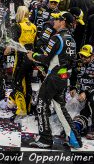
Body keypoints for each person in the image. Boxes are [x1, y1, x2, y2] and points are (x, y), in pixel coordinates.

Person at [27, 12, 82, 149]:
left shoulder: (56, 38)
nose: (53, 21)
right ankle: (75, 140)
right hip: (64, 78)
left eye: (56, 19)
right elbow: (71, 61)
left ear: (62, 22)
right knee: (60, 108)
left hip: (54, 78)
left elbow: (45, 58)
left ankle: (45, 139)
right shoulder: (72, 40)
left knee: (41, 105)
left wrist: (32, 55)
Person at [6, 6, 37, 117]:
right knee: (27, 83)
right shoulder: (34, 27)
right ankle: (28, 107)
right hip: (31, 58)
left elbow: (11, 46)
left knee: (17, 82)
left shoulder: (17, 26)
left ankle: (22, 109)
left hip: (20, 59)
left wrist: (6, 51)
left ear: (19, 14)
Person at [69, 45, 94, 139]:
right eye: (81, 55)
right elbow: (73, 77)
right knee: (75, 109)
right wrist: (72, 88)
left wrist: (86, 92)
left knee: (92, 100)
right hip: (80, 94)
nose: (83, 58)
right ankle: (74, 128)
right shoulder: (78, 63)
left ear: (92, 56)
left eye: (86, 56)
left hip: (91, 93)